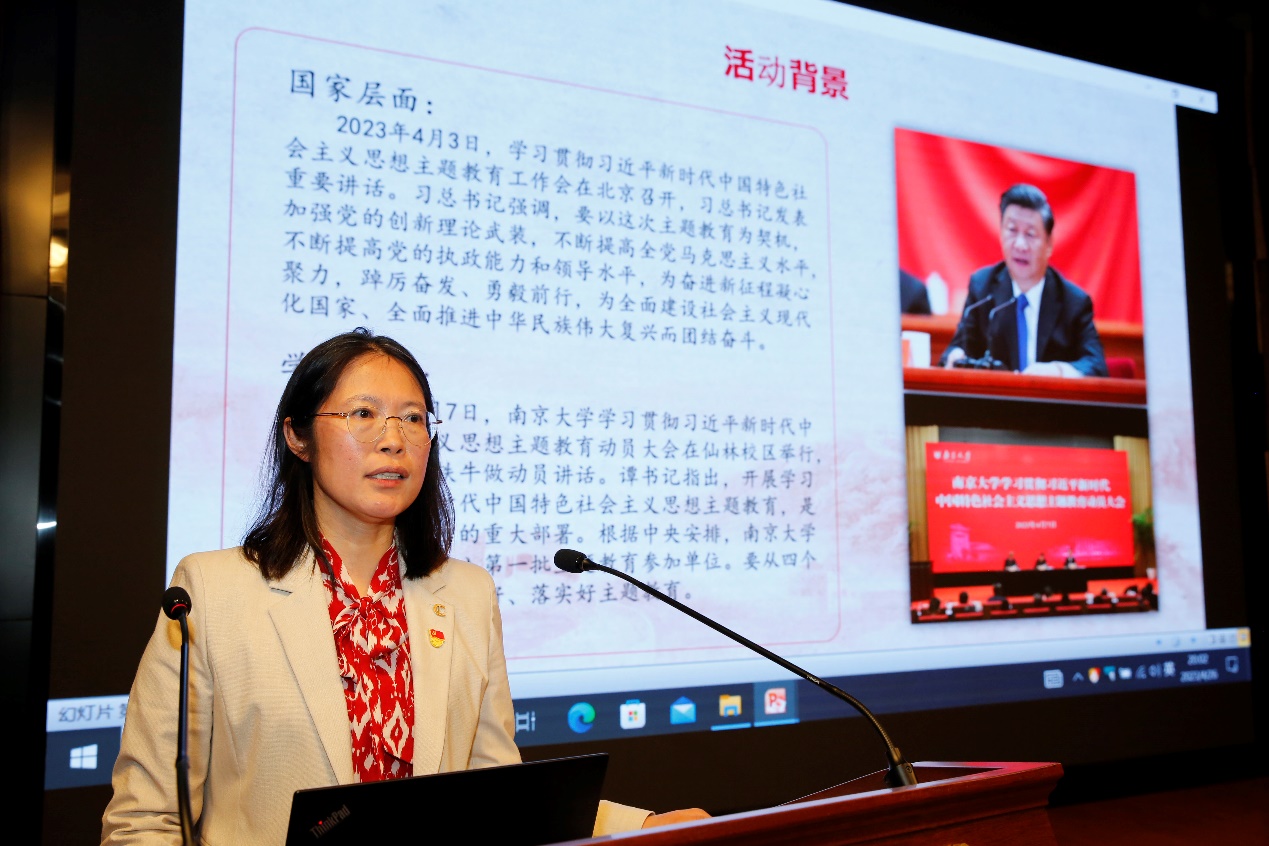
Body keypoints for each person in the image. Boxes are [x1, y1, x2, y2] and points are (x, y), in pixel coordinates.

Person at [102, 330, 706, 843]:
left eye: (413, 419)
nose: (393, 439)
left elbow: (499, 799)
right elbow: (144, 820)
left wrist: (642, 826)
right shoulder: (211, 592)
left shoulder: (466, 594)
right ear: (297, 436)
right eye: (362, 414)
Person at [940, 184, 1108, 377]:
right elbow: (955, 351)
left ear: (1049, 244)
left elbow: (1097, 365)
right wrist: (955, 356)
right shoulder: (982, 289)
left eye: (1030, 234)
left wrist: (1057, 371)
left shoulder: (1074, 302)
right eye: (1012, 230)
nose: (1020, 245)